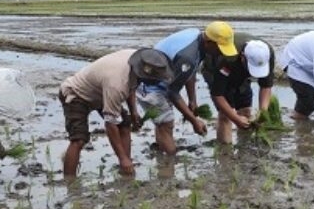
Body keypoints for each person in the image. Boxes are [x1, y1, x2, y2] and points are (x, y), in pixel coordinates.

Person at [60, 48, 174, 176]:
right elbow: (110, 124)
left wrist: (133, 111)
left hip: (100, 93)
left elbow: (131, 85)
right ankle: (70, 184)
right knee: (78, 140)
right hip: (76, 94)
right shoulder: (117, 84)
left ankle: (126, 168)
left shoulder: (139, 60)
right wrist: (122, 158)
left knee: (125, 124)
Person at [137, 21, 238, 154]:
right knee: (166, 124)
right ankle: (169, 163)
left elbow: (191, 71)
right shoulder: (188, 56)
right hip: (149, 83)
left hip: (162, 77)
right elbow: (172, 92)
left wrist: (192, 100)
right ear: (209, 42)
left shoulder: (197, 36)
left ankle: (162, 155)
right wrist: (194, 120)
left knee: (164, 122)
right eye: (219, 48)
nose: (220, 53)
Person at [202, 33, 274, 144]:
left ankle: (244, 146)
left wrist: (263, 111)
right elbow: (218, 95)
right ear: (243, 57)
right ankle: (225, 152)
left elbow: (266, 86)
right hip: (215, 70)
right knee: (225, 115)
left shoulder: (267, 54)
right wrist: (235, 118)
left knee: (245, 110)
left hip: (241, 72)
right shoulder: (227, 59)